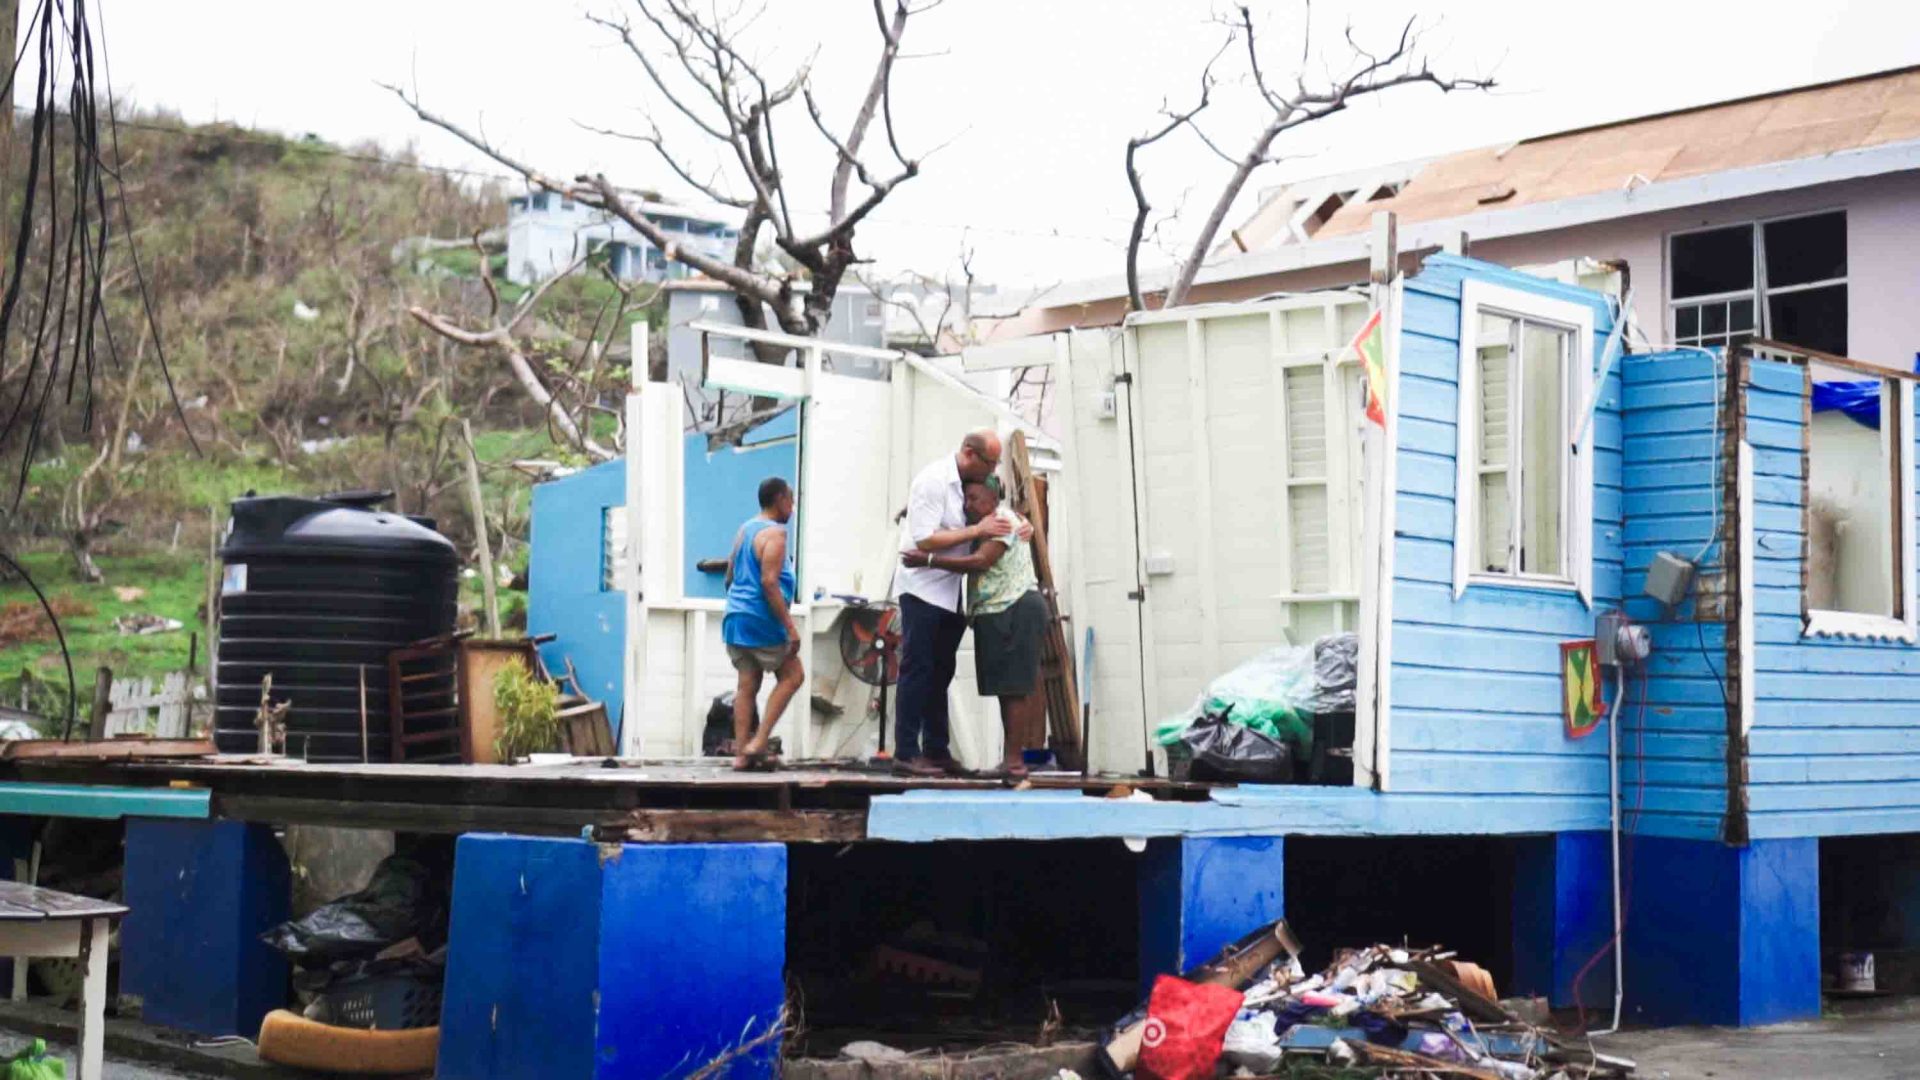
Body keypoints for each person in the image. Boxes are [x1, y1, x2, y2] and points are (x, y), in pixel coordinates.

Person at [893, 429, 1029, 778]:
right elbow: (924, 539)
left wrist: (1018, 522)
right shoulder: (934, 480)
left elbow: (992, 513)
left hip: (951, 594)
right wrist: (977, 532)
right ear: (969, 453)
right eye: (990, 462)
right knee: (917, 668)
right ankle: (906, 752)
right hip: (923, 588)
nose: (991, 470)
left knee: (941, 672)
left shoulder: (970, 485)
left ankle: (936, 750)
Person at [722, 476, 802, 771]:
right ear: (780, 499)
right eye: (791, 501)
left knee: (747, 684)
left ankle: (742, 754)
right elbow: (769, 582)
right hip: (762, 617)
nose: (792, 509)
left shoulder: (744, 530)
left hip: (735, 619)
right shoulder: (775, 535)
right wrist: (790, 628)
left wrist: (738, 605)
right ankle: (759, 741)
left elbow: (730, 575)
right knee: (793, 676)